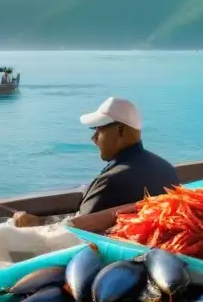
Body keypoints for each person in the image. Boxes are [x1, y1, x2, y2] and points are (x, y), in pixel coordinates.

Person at [13, 97, 179, 226]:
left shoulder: (111, 181)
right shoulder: (168, 170)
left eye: (98, 130)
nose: (94, 138)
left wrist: (37, 221)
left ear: (120, 130)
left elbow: (73, 228)